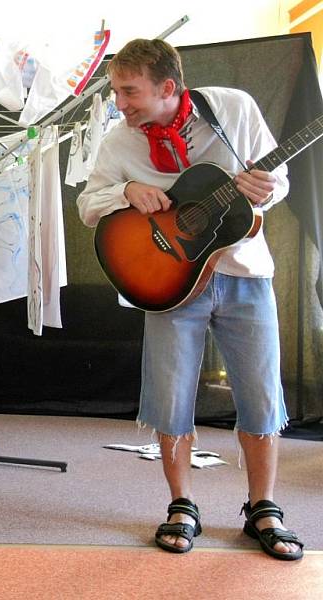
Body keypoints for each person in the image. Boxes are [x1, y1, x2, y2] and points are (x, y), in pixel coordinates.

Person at [76, 39, 304, 560]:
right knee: (170, 397)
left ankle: (263, 508)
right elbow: (91, 203)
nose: (121, 103)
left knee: (261, 395)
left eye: (129, 92)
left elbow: (281, 180)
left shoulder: (233, 108)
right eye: (116, 91)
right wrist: (126, 193)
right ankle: (182, 505)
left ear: (168, 88)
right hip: (170, 283)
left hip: (245, 274)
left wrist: (268, 189)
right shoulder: (119, 142)